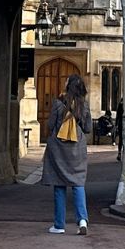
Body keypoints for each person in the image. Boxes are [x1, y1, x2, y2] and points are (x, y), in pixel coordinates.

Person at [42, 73, 92, 234]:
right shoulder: (84, 105)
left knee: (59, 184)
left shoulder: (58, 103)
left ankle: (59, 225)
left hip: (58, 149)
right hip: (77, 150)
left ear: (68, 86)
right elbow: (88, 128)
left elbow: (50, 124)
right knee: (78, 184)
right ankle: (82, 220)